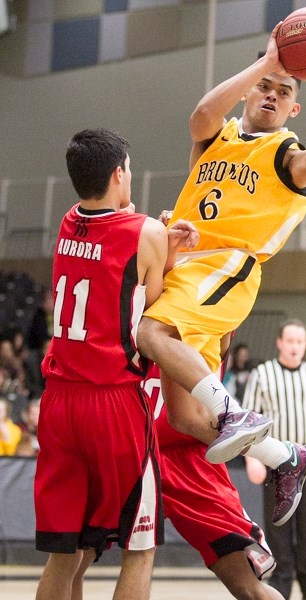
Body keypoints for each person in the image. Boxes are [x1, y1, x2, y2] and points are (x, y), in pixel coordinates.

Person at [136, 23, 306, 468]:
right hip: (180, 266)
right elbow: (199, 115)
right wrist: (269, 62)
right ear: (246, 91)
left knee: (148, 333)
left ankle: (232, 412)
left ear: (294, 108)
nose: (271, 95)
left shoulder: (283, 152)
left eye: (283, 92)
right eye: (263, 86)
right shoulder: (217, 135)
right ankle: (287, 458)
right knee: (182, 416)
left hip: (224, 268)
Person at [34, 128, 198, 600]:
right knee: (139, 548)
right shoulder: (144, 231)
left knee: (65, 555)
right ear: (119, 172)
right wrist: (169, 253)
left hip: (60, 402)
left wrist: (157, 240)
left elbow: (114, 245)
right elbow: (155, 313)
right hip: (112, 404)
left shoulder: (67, 223)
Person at [69, 363, 285, 600]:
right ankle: (282, 454)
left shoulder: (207, 330)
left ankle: (281, 454)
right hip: (129, 446)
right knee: (71, 563)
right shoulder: (140, 332)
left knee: (248, 586)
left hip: (189, 456)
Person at [242, 319, 306, 600]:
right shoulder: (262, 374)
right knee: (278, 530)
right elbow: (248, 420)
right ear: (280, 342)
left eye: (300, 341)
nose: (295, 346)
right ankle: (279, 591)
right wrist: (252, 459)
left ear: (305, 345)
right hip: (275, 457)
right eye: (290, 341)